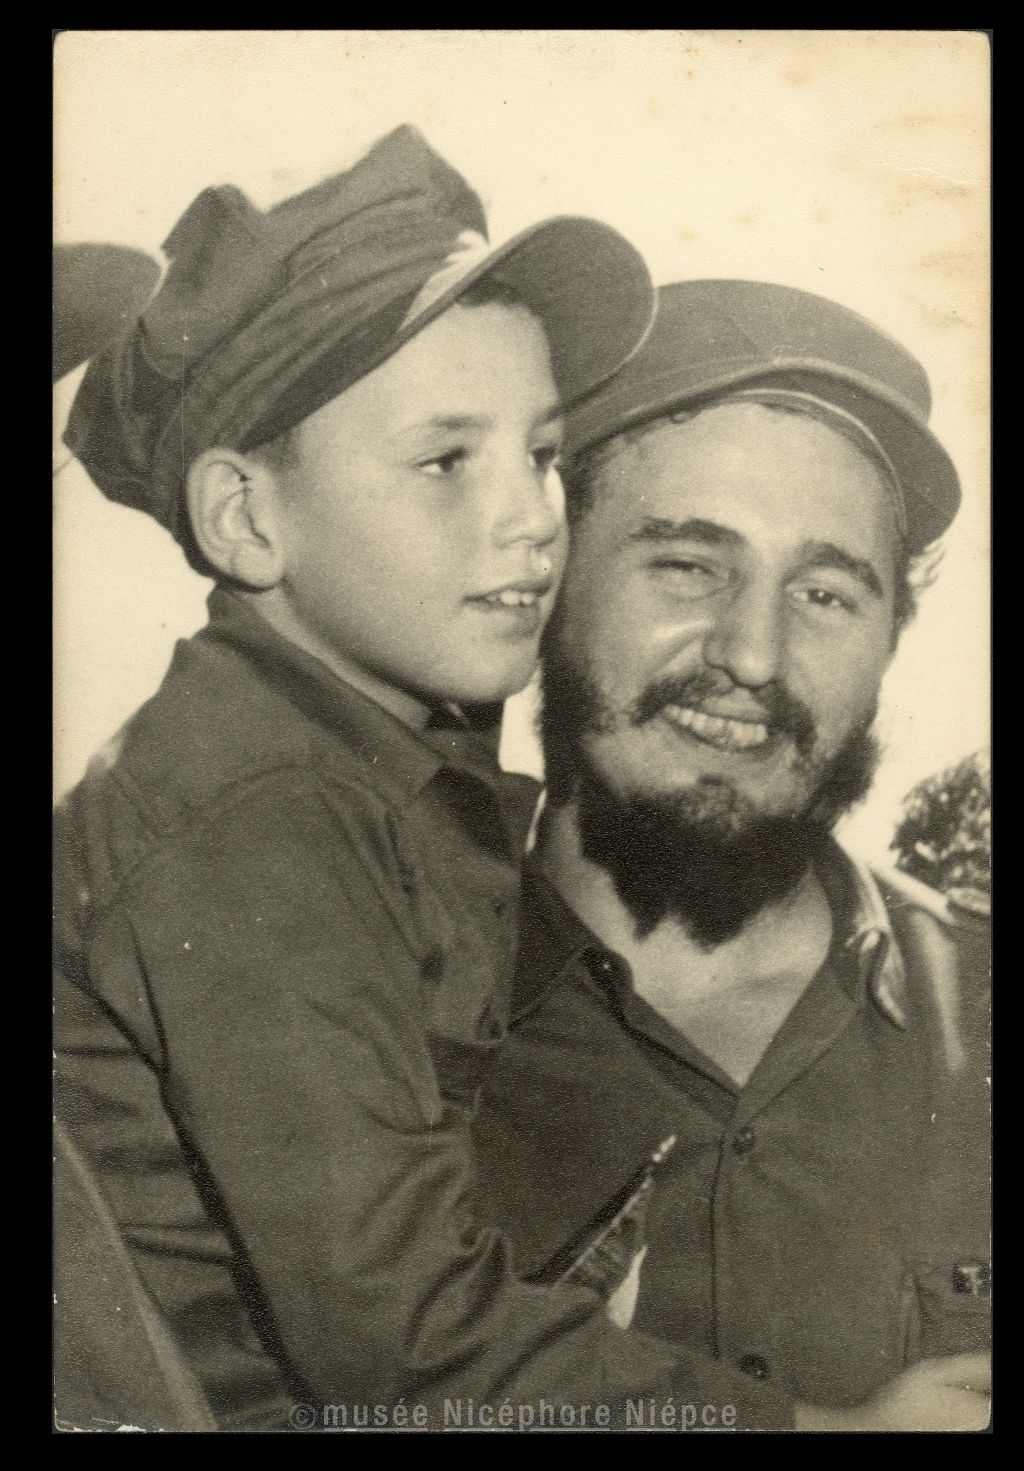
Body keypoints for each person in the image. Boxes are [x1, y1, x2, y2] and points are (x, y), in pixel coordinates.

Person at [472, 280, 991, 1430]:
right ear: (545, 582)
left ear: (891, 639)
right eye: (688, 565)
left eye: (825, 591)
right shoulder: (371, 1017)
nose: (753, 653)